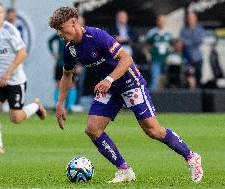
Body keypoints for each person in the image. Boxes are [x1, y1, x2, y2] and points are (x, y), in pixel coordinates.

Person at [49, 6, 203, 183]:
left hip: (129, 83)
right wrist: (60, 104)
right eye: (57, 30)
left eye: (61, 28)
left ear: (74, 22)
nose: (60, 33)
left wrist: (108, 79)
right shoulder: (70, 49)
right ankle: (124, 170)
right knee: (92, 129)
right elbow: (67, 75)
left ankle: (192, 157)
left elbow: (127, 59)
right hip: (109, 88)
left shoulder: (96, 35)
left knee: (153, 131)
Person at [0, 1, 46, 154]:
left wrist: (8, 73)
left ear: (3, 14)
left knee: (16, 118)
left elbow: (22, 53)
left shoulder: (9, 30)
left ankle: (36, 106)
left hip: (15, 81)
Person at [146, 15, 172, 91]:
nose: (162, 22)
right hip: (155, 59)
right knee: (155, 79)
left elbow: (173, 45)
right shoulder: (152, 32)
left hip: (166, 60)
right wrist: (149, 55)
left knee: (165, 80)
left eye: (163, 21)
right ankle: (152, 99)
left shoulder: (168, 32)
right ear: (157, 21)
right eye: (160, 20)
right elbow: (146, 45)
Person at [180, 11, 205, 89]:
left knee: (198, 77)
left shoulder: (200, 30)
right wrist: (190, 42)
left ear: (195, 18)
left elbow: (199, 40)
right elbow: (182, 41)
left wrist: (188, 42)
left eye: (192, 18)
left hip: (198, 58)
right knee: (188, 77)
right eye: (189, 18)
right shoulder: (183, 30)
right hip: (187, 58)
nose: (190, 19)